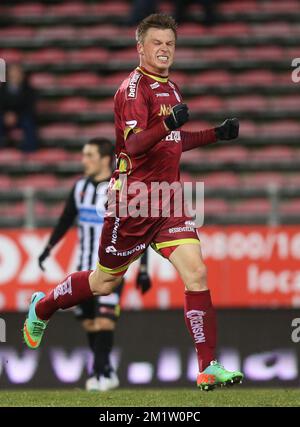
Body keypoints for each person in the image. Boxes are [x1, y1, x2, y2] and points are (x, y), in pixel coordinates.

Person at [23, 13, 243, 391]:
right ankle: (42, 307)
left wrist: (215, 134)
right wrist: (169, 124)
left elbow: (174, 141)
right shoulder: (132, 89)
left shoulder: (171, 88)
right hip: (133, 201)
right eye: (157, 43)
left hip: (168, 200)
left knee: (197, 273)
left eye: (170, 44)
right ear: (140, 47)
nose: (164, 50)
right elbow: (136, 144)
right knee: (103, 282)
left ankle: (208, 367)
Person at [37, 138, 151, 391]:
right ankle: (106, 370)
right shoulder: (79, 188)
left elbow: (139, 232)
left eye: (89, 155)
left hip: (111, 271)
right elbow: (66, 220)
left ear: (104, 158)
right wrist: (47, 249)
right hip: (83, 273)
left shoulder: (121, 189)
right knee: (90, 323)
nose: (83, 160)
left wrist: (143, 269)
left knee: (105, 321)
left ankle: (99, 376)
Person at [0, 63, 38, 152]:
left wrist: (16, 115)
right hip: (4, 117)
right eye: (12, 73)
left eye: (17, 73)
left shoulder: (30, 90)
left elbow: (30, 107)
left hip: (22, 117)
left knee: (29, 123)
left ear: (22, 75)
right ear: (8, 75)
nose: (15, 75)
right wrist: (6, 115)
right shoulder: (1, 90)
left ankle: (29, 151)